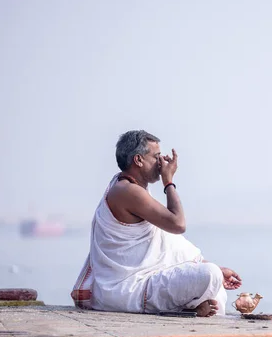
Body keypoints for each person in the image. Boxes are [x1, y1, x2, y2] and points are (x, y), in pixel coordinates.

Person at [71, 130, 241, 317]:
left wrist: (214, 266)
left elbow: (168, 244)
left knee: (217, 290)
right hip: (128, 288)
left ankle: (190, 311)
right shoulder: (125, 191)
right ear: (138, 160)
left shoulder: (134, 189)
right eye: (156, 157)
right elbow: (177, 224)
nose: (162, 163)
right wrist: (168, 182)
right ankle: (189, 309)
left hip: (145, 281)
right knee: (210, 275)